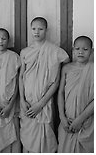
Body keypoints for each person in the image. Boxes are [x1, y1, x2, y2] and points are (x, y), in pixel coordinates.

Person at [19, 17, 69, 153]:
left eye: (40, 29)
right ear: (30, 29)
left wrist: (40, 104)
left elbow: (56, 81)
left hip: (44, 104)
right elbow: (21, 77)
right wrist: (22, 101)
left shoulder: (55, 51)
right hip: (27, 103)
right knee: (28, 141)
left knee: (44, 140)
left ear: (46, 30)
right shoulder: (25, 52)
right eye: (34, 29)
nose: (37, 32)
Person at [58, 36, 94, 153]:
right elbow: (61, 93)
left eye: (85, 49)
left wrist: (80, 120)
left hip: (87, 122)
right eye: (77, 48)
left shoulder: (93, 69)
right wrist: (62, 117)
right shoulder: (67, 68)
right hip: (67, 121)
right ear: (73, 50)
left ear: (92, 51)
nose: (80, 52)